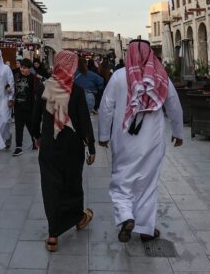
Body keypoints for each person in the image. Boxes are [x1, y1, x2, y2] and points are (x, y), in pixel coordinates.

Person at [98, 40, 183, 243]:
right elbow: (174, 105)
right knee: (147, 182)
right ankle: (145, 229)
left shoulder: (118, 77)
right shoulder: (160, 76)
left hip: (124, 138)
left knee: (122, 180)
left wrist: (103, 136)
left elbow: (106, 108)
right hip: (152, 141)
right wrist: (178, 133)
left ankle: (126, 217)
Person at [32, 50, 96, 252]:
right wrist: (91, 147)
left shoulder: (44, 87)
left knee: (51, 188)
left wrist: (37, 137)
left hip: (50, 146)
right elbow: (84, 121)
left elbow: (34, 119)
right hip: (72, 146)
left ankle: (53, 235)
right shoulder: (75, 90)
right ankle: (77, 218)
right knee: (72, 185)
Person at [13, 58, 42, 156]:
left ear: (29, 68)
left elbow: (38, 93)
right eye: (21, 67)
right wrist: (7, 88)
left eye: (24, 68)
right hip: (18, 107)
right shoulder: (16, 76)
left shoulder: (34, 79)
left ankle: (35, 142)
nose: (22, 69)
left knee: (32, 127)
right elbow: (10, 84)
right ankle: (18, 147)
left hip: (30, 107)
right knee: (18, 127)